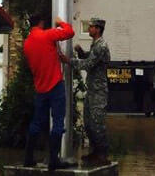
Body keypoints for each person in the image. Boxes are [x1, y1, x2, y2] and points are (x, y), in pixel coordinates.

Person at [22, 10, 76, 170]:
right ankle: (54, 160)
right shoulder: (47, 35)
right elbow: (70, 32)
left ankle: (28, 158)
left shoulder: (27, 43)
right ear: (41, 23)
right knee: (58, 122)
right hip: (55, 85)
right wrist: (61, 23)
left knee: (36, 123)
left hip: (40, 88)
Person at [73, 17, 110, 162]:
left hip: (99, 92)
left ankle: (102, 155)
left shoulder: (101, 46)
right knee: (88, 123)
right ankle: (95, 152)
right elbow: (89, 57)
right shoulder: (95, 44)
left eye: (91, 27)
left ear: (98, 29)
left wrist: (68, 61)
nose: (89, 29)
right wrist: (81, 52)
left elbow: (88, 64)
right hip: (92, 90)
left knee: (97, 123)